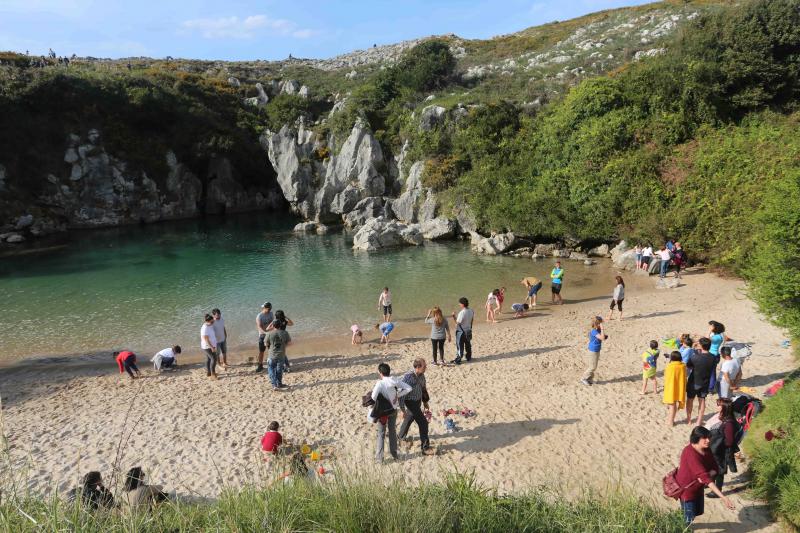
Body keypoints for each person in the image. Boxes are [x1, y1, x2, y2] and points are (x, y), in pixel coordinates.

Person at [676, 426, 735, 525]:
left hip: (698, 489)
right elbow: (706, 478)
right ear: (696, 438)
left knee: (694, 513)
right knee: (688, 519)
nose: (708, 440)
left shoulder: (706, 450)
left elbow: (715, 468)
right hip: (687, 490)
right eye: (705, 438)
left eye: (708, 437)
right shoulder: (690, 453)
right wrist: (723, 497)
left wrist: (708, 474)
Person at [369, 363, 412, 463]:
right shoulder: (395, 380)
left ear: (380, 373)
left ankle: (380, 459)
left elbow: (373, 398)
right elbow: (409, 388)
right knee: (392, 431)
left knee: (381, 434)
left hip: (383, 412)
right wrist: (398, 395)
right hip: (393, 410)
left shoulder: (380, 383)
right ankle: (395, 454)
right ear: (389, 371)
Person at [398, 358, 434, 455]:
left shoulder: (422, 375)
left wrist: (425, 401)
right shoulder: (408, 377)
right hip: (410, 402)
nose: (426, 367)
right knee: (423, 423)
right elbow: (401, 395)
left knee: (409, 418)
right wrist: (402, 409)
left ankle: (400, 437)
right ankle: (425, 448)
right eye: (424, 366)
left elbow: (423, 388)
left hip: (418, 401)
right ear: (417, 367)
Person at [706, 399, 740, 494]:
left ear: (724, 408)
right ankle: (709, 483)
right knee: (713, 466)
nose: (716, 407)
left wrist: (717, 445)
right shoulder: (725, 418)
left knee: (719, 470)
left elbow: (729, 441)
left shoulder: (729, 423)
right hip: (718, 448)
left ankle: (717, 491)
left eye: (718, 405)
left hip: (722, 450)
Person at [686, 338, 716, 425]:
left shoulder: (695, 357)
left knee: (690, 400)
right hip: (705, 382)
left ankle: (689, 420)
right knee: (702, 400)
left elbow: (689, 366)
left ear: (701, 346)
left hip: (694, 381)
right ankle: (699, 421)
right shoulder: (713, 357)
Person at [663, 352, 687, 426]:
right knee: (673, 404)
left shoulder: (670, 366)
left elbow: (666, 376)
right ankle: (671, 419)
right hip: (679, 388)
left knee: (672, 405)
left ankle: (671, 421)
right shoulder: (683, 366)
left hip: (671, 388)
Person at [707, 321, 732, 393]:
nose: (710, 327)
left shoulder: (717, 337)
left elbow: (706, 340)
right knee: (711, 371)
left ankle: (711, 388)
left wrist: (709, 331)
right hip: (715, 355)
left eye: (711, 326)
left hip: (713, 355)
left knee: (712, 372)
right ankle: (710, 387)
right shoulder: (720, 335)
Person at [581, 316, 607, 386]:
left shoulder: (597, 330)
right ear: (597, 324)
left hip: (596, 350)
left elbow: (603, 337)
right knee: (592, 367)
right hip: (593, 350)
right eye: (601, 323)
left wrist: (602, 332)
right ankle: (583, 378)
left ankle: (589, 379)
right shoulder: (594, 331)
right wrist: (602, 328)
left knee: (593, 366)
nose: (602, 324)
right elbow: (602, 338)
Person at [266, 319, 291, 390]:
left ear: (273, 326)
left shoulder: (269, 333)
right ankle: (279, 383)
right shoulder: (285, 333)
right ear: (280, 325)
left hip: (272, 355)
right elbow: (289, 343)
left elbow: (266, 344)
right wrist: (283, 345)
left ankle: (274, 385)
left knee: (271, 369)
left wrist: (270, 347)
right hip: (281, 354)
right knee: (279, 370)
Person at [452, 297, 474, 364]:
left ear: (462, 304)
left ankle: (459, 359)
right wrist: (470, 327)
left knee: (460, 345)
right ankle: (468, 357)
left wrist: (453, 316)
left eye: (460, 303)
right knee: (468, 344)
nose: (459, 305)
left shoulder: (462, 312)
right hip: (468, 330)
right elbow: (472, 320)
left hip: (461, 332)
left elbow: (457, 323)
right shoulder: (471, 311)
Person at [255, 302, 274, 373]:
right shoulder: (259, 316)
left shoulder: (271, 314)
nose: (269, 310)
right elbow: (259, 327)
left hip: (270, 334)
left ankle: (272, 363)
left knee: (271, 350)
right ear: (265, 308)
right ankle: (260, 365)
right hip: (262, 335)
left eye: (270, 309)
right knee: (261, 351)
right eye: (268, 309)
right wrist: (265, 333)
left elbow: (272, 323)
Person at [200, 313, 218, 380]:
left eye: (213, 321)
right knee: (214, 359)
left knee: (208, 359)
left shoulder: (209, 324)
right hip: (207, 346)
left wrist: (214, 317)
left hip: (211, 345)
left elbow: (213, 319)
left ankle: (208, 372)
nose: (213, 322)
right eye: (212, 321)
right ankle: (213, 374)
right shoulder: (205, 328)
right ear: (208, 321)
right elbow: (206, 339)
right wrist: (212, 347)